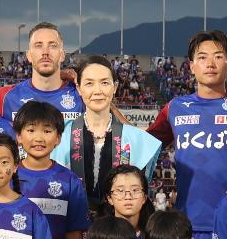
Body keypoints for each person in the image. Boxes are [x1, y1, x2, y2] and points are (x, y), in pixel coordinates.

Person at [147, 30, 227, 239]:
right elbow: (141, 144)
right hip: (188, 226)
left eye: (218, 56)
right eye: (202, 57)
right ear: (191, 66)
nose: (210, 63)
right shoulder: (174, 108)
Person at [10, 100, 89, 239]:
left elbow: (74, 233)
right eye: (31, 130)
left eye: (47, 131)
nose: (39, 138)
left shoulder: (69, 181)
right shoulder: (7, 177)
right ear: (18, 136)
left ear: (58, 138)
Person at [52, 54, 161, 200]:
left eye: (104, 83)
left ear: (115, 87)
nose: (97, 91)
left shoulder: (137, 139)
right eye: (89, 83)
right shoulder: (60, 135)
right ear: (78, 88)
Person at [0, 21, 80, 122]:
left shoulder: (81, 95)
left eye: (52, 45)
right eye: (38, 45)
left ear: (62, 55)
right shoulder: (4, 97)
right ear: (29, 55)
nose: (45, 52)